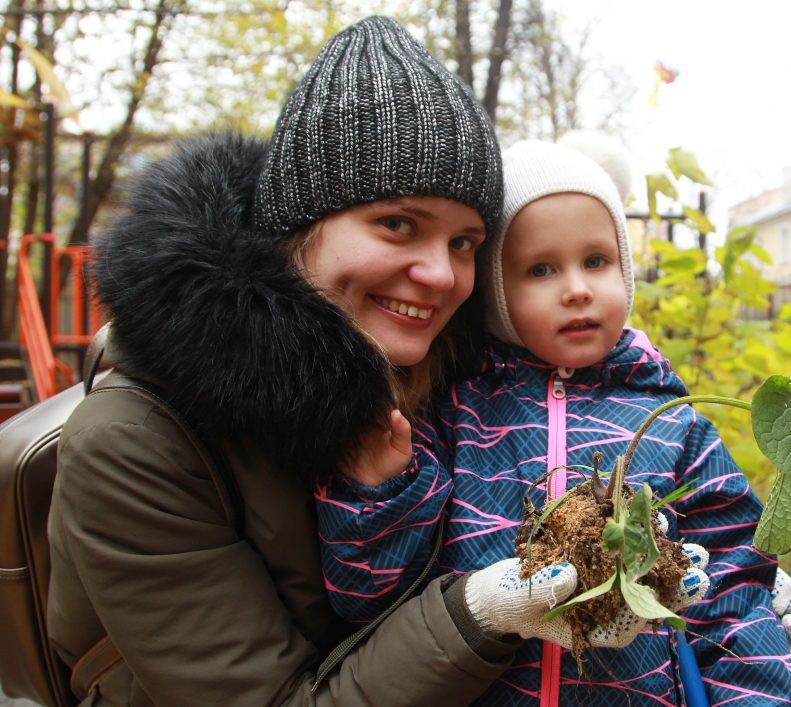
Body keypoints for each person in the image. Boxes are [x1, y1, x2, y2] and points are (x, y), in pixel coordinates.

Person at [47, 17, 584, 706]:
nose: (441, 275)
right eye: (399, 223)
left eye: (464, 242)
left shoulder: (449, 376)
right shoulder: (132, 444)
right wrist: (477, 615)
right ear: (300, 223)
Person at [317, 140, 791, 704]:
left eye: (596, 261)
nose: (577, 288)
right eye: (541, 268)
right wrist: (378, 496)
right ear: (497, 294)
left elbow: (731, 598)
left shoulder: (675, 425)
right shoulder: (453, 414)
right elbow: (369, 600)